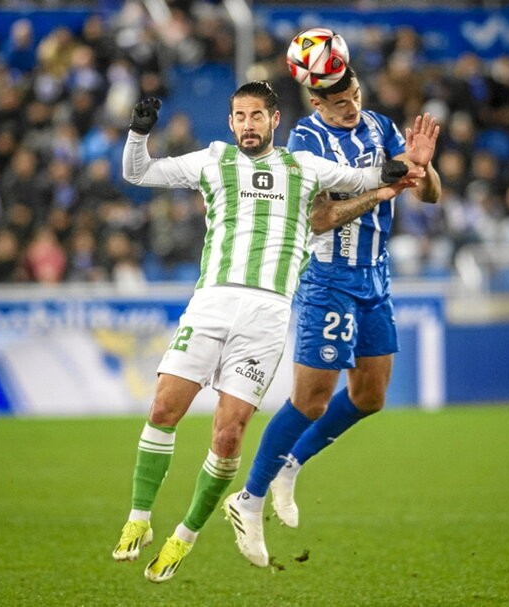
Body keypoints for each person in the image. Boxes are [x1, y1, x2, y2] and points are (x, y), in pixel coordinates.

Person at [111, 80, 424, 583]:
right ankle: (139, 520)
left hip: (267, 316)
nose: (247, 125)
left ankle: (184, 537)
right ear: (231, 121)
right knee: (164, 407)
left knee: (230, 432)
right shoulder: (212, 160)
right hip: (211, 303)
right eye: (239, 116)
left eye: (257, 116)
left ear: (274, 121)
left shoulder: (304, 168)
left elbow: (364, 174)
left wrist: (400, 168)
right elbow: (137, 171)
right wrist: (138, 132)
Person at [223, 66, 441, 567]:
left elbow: (430, 196)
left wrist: (423, 169)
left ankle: (290, 465)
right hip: (328, 277)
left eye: (356, 95)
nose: (352, 106)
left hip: (375, 276)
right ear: (318, 104)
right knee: (311, 400)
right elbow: (318, 217)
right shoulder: (305, 142)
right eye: (340, 101)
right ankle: (248, 500)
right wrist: (379, 193)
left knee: (370, 396)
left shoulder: (381, 129)